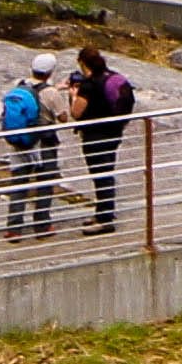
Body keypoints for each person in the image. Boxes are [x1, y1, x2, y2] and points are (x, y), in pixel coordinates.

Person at [70, 44, 138, 232]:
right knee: (106, 172)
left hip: (94, 136)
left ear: (83, 63)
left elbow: (76, 113)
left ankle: (105, 220)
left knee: (101, 175)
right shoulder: (112, 77)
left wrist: (73, 95)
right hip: (113, 133)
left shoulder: (89, 85)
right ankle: (102, 213)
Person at [0, 59, 58, 236]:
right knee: (45, 183)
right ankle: (42, 226)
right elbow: (63, 117)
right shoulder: (51, 93)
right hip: (43, 143)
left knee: (19, 184)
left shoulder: (19, 88)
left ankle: (14, 228)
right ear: (50, 72)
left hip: (20, 144)